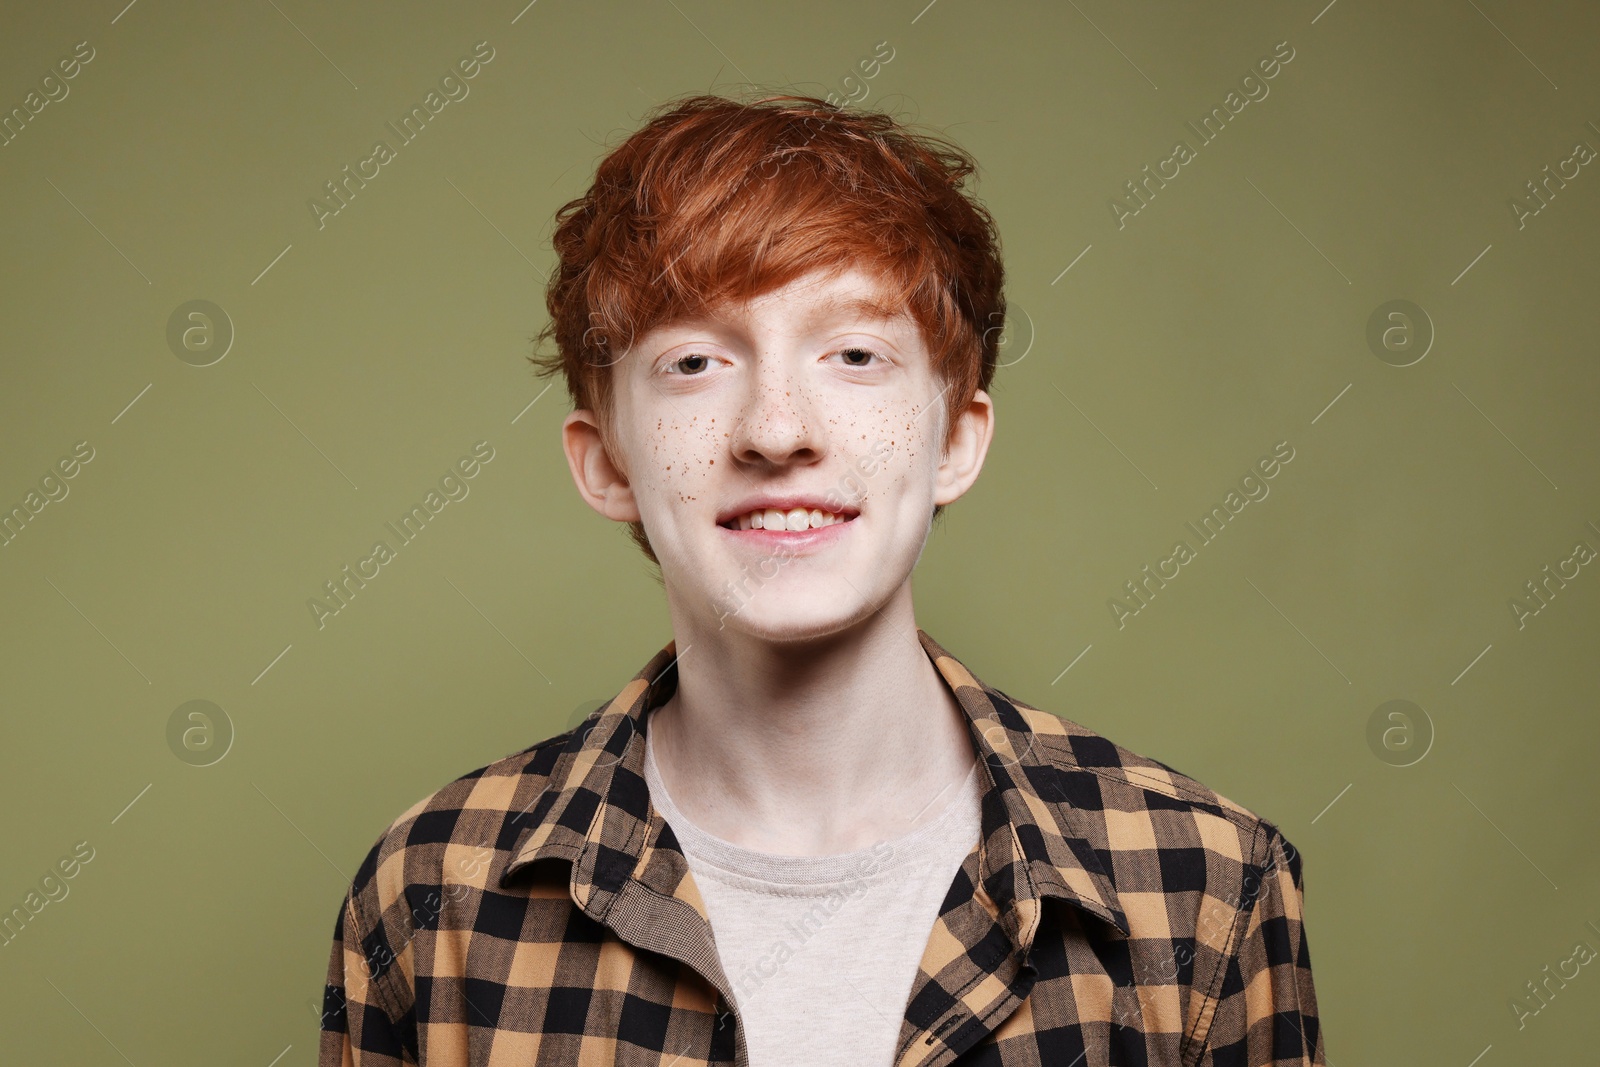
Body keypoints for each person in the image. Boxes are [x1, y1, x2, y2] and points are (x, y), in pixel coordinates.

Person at [318, 92, 1325, 1067]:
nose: (775, 430)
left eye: (852, 353)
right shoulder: (432, 894)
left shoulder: (1206, 888)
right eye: (694, 363)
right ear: (606, 461)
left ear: (957, 442)